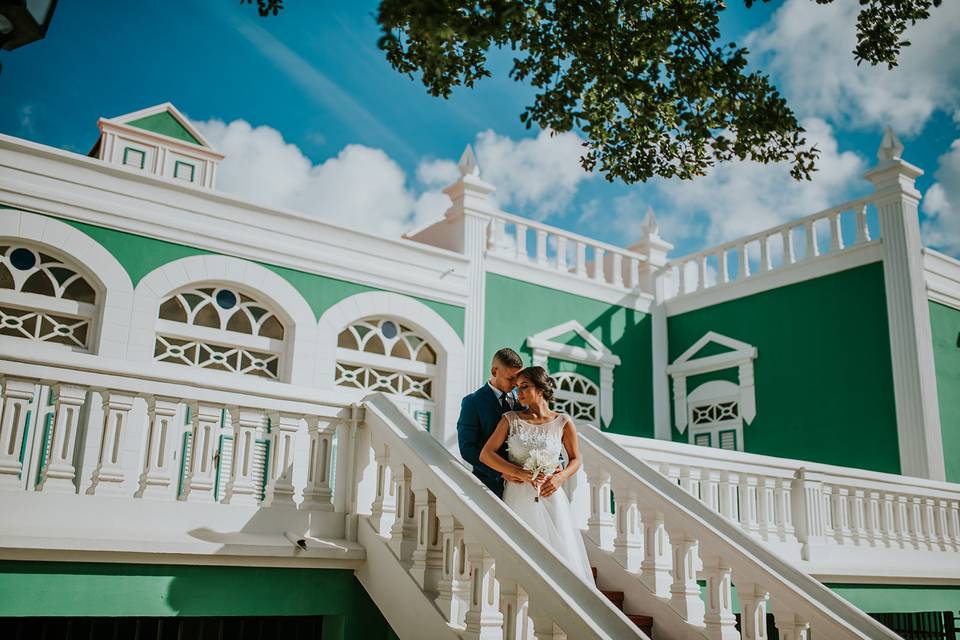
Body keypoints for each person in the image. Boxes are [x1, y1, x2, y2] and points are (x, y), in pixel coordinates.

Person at [479, 366, 593, 583]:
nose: (518, 393)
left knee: (560, 557)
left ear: (540, 389)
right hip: (518, 496)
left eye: (525, 387)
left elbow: (576, 459)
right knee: (520, 551)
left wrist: (561, 477)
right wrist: (518, 472)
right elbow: (486, 455)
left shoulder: (563, 422)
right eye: (517, 388)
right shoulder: (510, 419)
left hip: (552, 495)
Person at [457, 348, 527, 499]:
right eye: (510, 378)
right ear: (495, 371)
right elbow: (467, 448)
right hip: (489, 486)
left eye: (517, 378)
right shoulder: (472, 402)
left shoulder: (522, 400)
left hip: (524, 489)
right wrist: (501, 472)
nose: (515, 384)